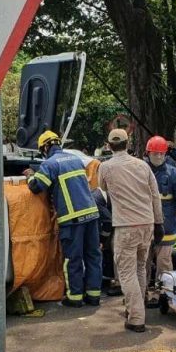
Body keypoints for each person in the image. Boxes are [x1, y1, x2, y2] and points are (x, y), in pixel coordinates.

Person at [26, 131, 102, 308]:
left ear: (46, 147)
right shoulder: (75, 159)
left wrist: (31, 175)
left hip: (72, 218)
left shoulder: (50, 164)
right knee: (93, 256)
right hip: (91, 214)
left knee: (73, 259)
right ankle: (93, 295)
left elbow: (37, 187)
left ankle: (74, 297)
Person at [98, 129, 164, 333]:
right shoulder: (143, 165)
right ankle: (136, 308)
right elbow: (155, 196)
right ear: (128, 143)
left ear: (109, 146)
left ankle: (136, 318)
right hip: (147, 224)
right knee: (140, 268)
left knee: (126, 273)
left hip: (126, 226)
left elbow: (103, 189)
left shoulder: (105, 167)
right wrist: (159, 222)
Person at [145, 136, 176, 297]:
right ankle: (140, 294)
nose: (158, 157)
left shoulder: (173, 174)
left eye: (161, 154)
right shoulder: (141, 171)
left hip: (167, 226)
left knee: (164, 263)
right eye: (155, 154)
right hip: (144, 225)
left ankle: (164, 294)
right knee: (142, 263)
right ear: (148, 153)